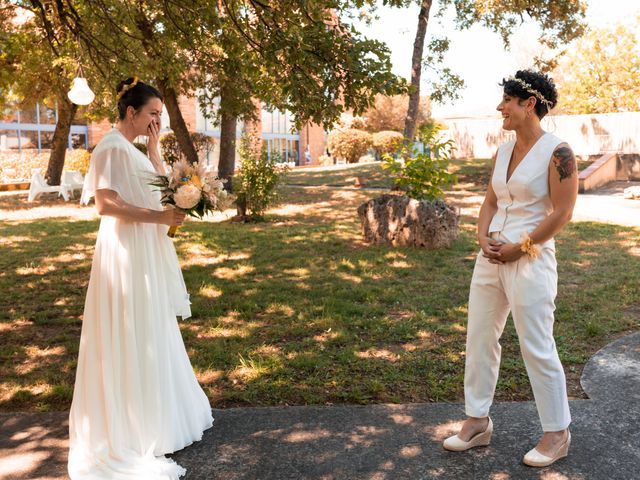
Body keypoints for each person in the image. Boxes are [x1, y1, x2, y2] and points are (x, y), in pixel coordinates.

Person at [68, 77, 213, 479]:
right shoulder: (111, 147)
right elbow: (106, 204)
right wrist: (158, 218)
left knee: (151, 326)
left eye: (160, 116)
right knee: (133, 328)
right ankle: (134, 426)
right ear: (130, 112)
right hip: (126, 252)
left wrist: (153, 150)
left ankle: (158, 416)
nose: (156, 122)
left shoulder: (132, 148)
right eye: (152, 114)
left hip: (145, 248)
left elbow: (161, 189)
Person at [443, 70, 578, 468]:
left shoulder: (559, 152)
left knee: (536, 345)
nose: (499, 107)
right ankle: (477, 421)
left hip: (530, 261)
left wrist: (522, 247)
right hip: (490, 259)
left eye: (506, 100)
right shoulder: (502, 151)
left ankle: (557, 433)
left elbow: (564, 210)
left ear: (528, 104)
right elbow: (490, 202)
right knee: (480, 337)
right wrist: (482, 236)